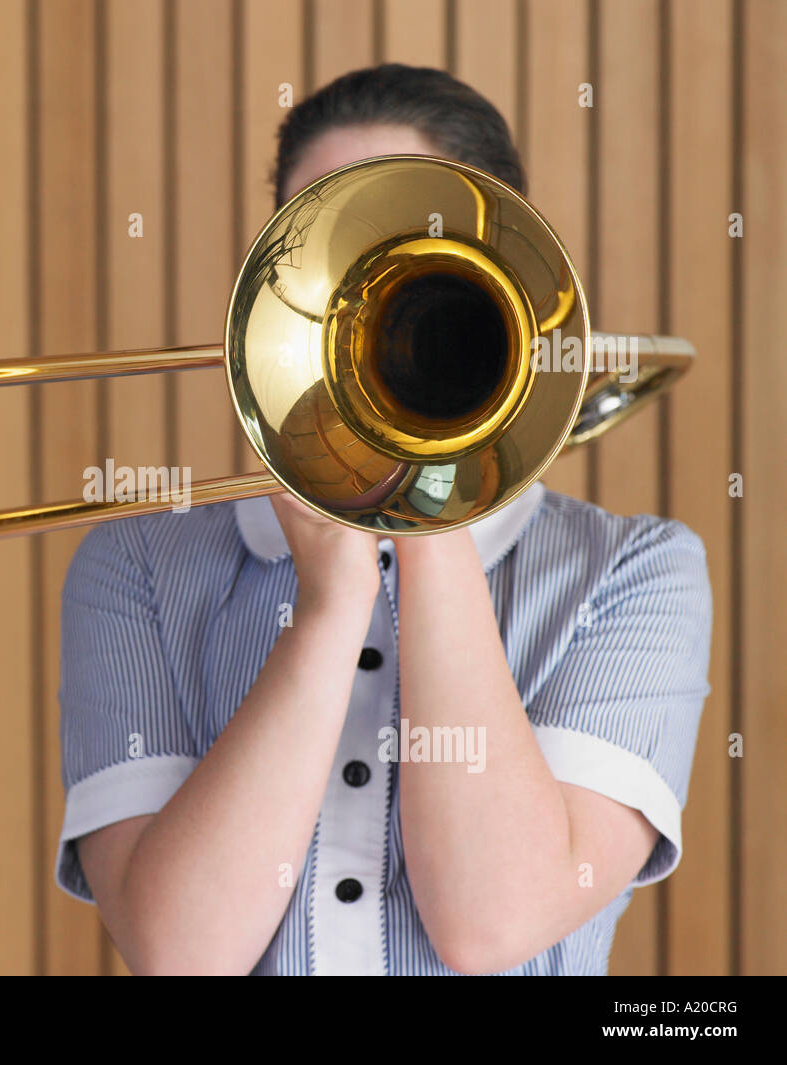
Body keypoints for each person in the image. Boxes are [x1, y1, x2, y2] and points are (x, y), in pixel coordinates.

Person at [52, 64, 712, 976]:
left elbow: (492, 922)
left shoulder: (636, 571)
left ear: (513, 278)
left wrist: (426, 504)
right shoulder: (132, 564)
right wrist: (330, 608)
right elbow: (182, 952)